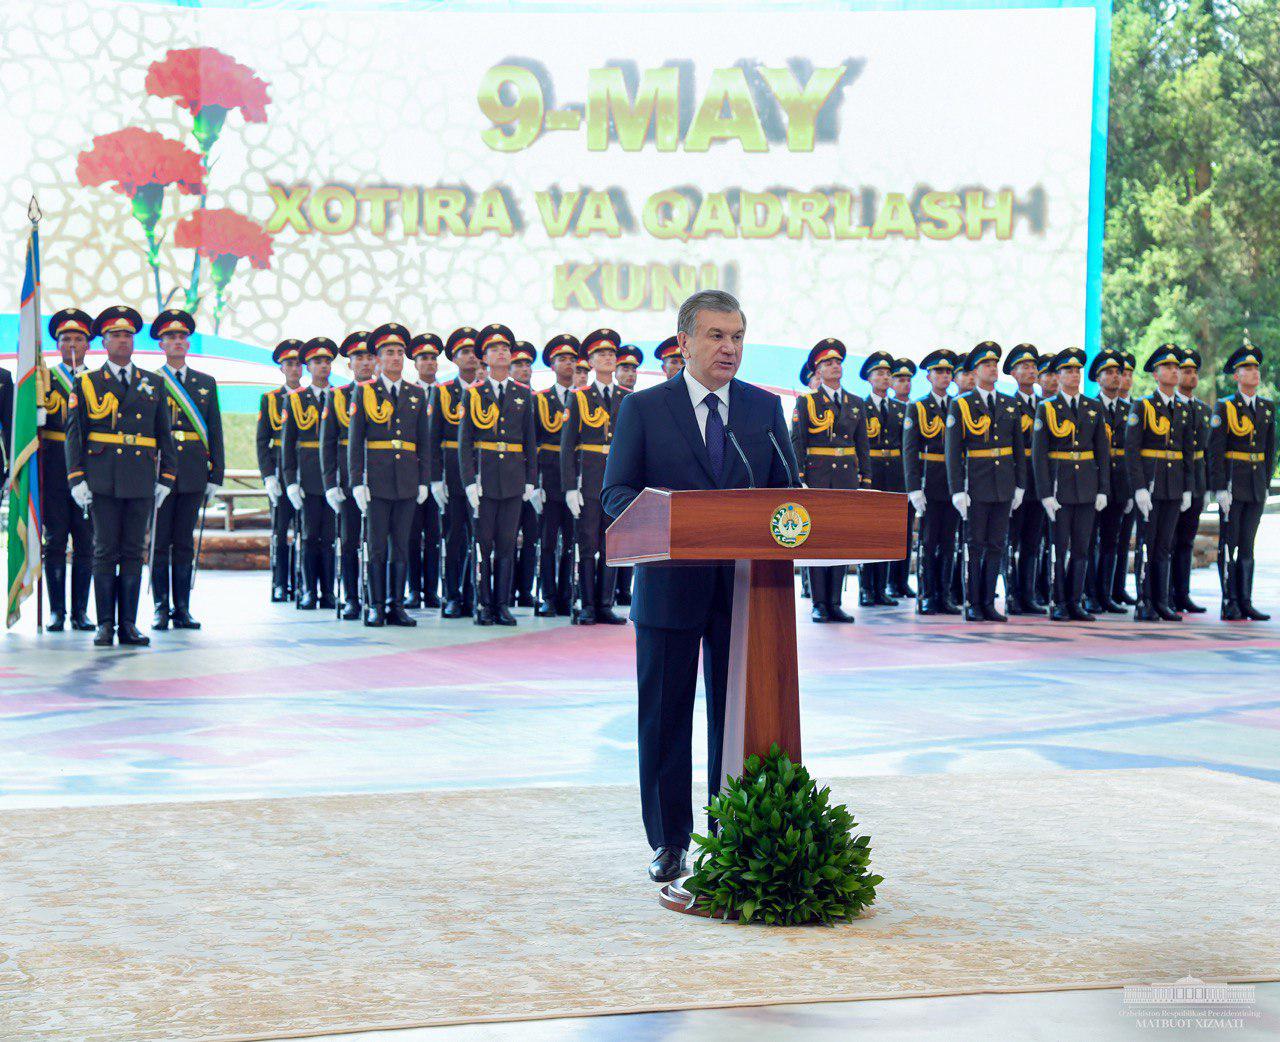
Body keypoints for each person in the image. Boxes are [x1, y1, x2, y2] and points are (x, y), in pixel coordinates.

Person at [601, 289, 797, 884]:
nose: (729, 348)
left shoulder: (764, 411)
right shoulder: (645, 409)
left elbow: (790, 493)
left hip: (747, 596)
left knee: (736, 718)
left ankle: (731, 830)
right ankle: (669, 841)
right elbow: (615, 496)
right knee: (665, 719)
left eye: (737, 337)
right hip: (669, 589)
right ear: (684, 342)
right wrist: (666, 517)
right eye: (716, 336)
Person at [65, 305, 176, 647]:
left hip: (141, 478)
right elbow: (75, 434)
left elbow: (164, 434)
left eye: (128, 335)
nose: (123, 340)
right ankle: (105, 625)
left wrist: (167, 477)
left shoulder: (154, 382)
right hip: (102, 478)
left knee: (132, 551)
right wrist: (76, 479)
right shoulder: (86, 382)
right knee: (104, 550)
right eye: (116, 334)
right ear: (104, 342)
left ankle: (128, 624)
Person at [349, 322, 431, 626]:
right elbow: (356, 442)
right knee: (378, 547)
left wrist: (424, 480)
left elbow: (424, 441)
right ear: (378, 359)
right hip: (378, 482)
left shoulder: (415, 394)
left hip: (407, 481)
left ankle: (397, 605)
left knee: (402, 545)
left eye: (399, 352)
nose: (395, 357)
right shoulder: (365, 392)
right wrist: (357, 482)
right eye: (388, 353)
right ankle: (376, 605)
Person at [458, 324, 538, 626]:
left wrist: (531, 478)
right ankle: (483, 604)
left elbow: (530, 440)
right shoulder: (474, 393)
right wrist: (467, 481)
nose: (502, 352)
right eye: (495, 349)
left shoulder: (522, 393)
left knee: (506, 544)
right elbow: (464, 442)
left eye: (506, 348)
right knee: (482, 544)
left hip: (513, 478)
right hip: (484, 478)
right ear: (484, 358)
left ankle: (502, 604)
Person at [150, 309, 224, 631]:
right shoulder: (151, 381)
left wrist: (216, 474)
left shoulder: (205, 383)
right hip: (160, 473)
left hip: (194, 470)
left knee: (183, 542)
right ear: (161, 345)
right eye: (171, 338)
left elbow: (215, 429)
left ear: (188, 343)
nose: (177, 342)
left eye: (182, 337)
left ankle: (182, 609)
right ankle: (160, 608)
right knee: (158, 541)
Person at [790, 338, 871, 624]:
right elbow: (797, 441)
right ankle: (819, 602)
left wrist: (866, 479)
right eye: (828, 363)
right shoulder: (807, 401)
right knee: (817, 541)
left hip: (846, 477)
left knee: (840, 539)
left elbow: (863, 444)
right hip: (818, 476)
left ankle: (836, 602)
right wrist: (799, 477)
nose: (834, 366)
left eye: (837, 362)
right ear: (817, 370)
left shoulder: (855, 402)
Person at [945, 341, 1027, 622]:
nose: (992, 369)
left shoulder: (1009, 403)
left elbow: (1019, 448)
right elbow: (953, 452)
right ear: (975, 370)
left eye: (994, 364)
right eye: (987, 365)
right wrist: (957, 490)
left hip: (1003, 483)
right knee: (975, 545)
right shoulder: (962, 405)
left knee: (996, 545)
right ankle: (972, 602)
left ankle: (989, 602)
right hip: (976, 486)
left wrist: (1020, 484)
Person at [1031, 347, 1110, 621]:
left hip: (1086, 488)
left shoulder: (1093, 407)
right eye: (1068, 371)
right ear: (1058, 375)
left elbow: (1102, 452)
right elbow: (1039, 455)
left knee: (1081, 547)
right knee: (1058, 547)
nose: (1074, 375)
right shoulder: (1048, 408)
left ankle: (1076, 602)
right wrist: (1044, 494)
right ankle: (1058, 601)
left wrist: (1103, 489)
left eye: (1077, 370)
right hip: (1059, 488)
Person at [561, 329, 630, 625]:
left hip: (615, 482)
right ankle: (588, 604)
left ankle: (605, 603)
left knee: (611, 544)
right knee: (588, 544)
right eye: (601, 354)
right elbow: (567, 447)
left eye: (611, 354)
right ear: (589, 361)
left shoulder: (627, 398)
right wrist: (569, 487)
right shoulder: (579, 398)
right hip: (588, 480)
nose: (608, 358)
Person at [1125, 343, 1195, 621]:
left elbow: (1188, 452)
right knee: (1147, 543)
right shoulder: (1142, 406)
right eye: (1168, 367)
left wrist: (1188, 487)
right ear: (1156, 374)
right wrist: (1139, 487)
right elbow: (1132, 450)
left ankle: (1162, 601)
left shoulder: (1182, 408)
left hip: (1173, 485)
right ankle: (1145, 601)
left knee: (1165, 545)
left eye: (1177, 367)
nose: (1174, 371)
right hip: (1151, 485)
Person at [1208, 342, 1274, 620]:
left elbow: (1271, 449)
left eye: (1256, 368)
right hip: (1233, 486)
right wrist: (1219, 488)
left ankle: (1245, 600)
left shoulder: (1266, 407)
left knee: (1248, 544)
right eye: (1247, 368)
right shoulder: (1225, 407)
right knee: (1229, 544)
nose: (1254, 373)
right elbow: (1215, 451)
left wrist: (1266, 481)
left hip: (1255, 485)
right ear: (1236, 376)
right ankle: (1229, 600)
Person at [40, 308, 96, 631]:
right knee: (56, 539)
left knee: (86, 540)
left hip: (87, 468)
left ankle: (80, 611)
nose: (72, 344)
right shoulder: (42, 380)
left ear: (88, 345)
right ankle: (56, 611)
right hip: (52, 466)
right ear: (57, 344)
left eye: (78, 339)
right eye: (66, 339)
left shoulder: (96, 381)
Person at [321, 331, 375, 620]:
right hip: (347, 480)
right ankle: (352, 597)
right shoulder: (338, 396)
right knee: (350, 540)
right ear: (349, 364)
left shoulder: (386, 392)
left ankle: (380, 596)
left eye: (369, 357)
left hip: (382, 479)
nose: (365, 363)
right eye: (359, 358)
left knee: (380, 542)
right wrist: (330, 483)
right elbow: (327, 443)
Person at [904, 349, 961, 615]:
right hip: (929, 481)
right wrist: (914, 488)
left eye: (948, 372)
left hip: (953, 483)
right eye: (939, 371)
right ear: (928, 376)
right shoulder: (917, 406)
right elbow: (909, 450)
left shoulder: (959, 405)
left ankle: (944, 594)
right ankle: (927, 594)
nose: (945, 376)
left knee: (949, 542)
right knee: (928, 542)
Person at [282, 337, 338, 609]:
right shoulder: (295, 400)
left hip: (334, 478)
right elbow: (287, 445)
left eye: (327, 361)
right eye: (317, 361)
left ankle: (328, 592)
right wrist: (290, 481)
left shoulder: (341, 397)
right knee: (308, 536)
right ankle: (307, 591)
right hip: (307, 476)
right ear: (308, 366)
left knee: (329, 538)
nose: (323, 366)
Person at [430, 327, 481, 618]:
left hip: (482, 471)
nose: (471, 357)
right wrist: (436, 478)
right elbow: (432, 438)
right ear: (454, 358)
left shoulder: (487, 390)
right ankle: (452, 595)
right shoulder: (443, 392)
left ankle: (476, 593)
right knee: (454, 538)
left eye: (475, 351)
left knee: (481, 537)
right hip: (451, 473)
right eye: (464, 352)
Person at [534, 334, 579, 616]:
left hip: (575, 478)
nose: (569, 364)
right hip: (549, 479)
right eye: (562, 359)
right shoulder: (540, 399)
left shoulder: (584, 398)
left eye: (573, 359)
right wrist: (535, 482)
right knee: (548, 542)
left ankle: (567, 595)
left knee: (572, 542)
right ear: (552, 365)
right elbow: (533, 442)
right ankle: (548, 596)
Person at [1087, 348, 1132, 614]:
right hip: (1094, 484)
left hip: (1120, 485)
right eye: (1109, 373)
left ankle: (1106, 594)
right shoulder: (1090, 408)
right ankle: (1090, 594)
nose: (1115, 377)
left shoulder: (1130, 410)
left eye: (1117, 372)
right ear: (1098, 378)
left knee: (1111, 542)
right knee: (1090, 541)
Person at [257, 340, 303, 602]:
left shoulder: (312, 396)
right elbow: (262, 440)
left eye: (298, 364)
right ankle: (279, 581)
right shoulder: (271, 399)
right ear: (281, 368)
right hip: (279, 471)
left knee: (304, 530)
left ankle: (300, 581)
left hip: (305, 470)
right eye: (289, 364)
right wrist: (268, 476)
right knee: (280, 530)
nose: (294, 369)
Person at [859, 351, 905, 607]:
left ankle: (882, 587)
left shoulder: (900, 408)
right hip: (873, 470)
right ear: (869, 378)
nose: (885, 377)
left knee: (889, 533)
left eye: (888, 374)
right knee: (868, 533)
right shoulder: (861, 406)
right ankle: (866, 588)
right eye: (880, 373)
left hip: (894, 473)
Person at [1003, 344, 1043, 615]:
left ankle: (1029, 595)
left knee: (1033, 541)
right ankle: (1011, 595)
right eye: (1024, 367)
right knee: (1011, 541)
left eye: (1033, 367)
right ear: (1014, 374)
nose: (1030, 371)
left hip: (1039, 482)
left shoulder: (1046, 406)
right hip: (1017, 480)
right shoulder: (1008, 405)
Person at [1171, 348, 1211, 614]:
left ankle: (1182, 594)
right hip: (1172, 482)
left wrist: (1206, 485)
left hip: (1196, 481)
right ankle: (1163, 593)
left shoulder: (1203, 409)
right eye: (1186, 371)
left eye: (1195, 371)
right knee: (1167, 542)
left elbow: (1207, 452)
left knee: (1186, 540)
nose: (1192, 376)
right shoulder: (1166, 406)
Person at [406, 332, 443, 609]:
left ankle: (431, 591)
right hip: (411, 475)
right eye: (423, 358)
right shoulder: (408, 393)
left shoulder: (447, 393)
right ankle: (413, 591)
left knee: (434, 537)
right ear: (415, 363)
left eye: (432, 358)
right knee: (409, 536)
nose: (429, 363)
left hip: (440, 476)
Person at [509, 341, 541, 609]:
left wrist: (535, 480)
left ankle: (525, 589)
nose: (524, 369)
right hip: (507, 477)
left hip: (531, 479)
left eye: (528, 364)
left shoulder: (537, 398)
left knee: (530, 537)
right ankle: (507, 591)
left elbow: (536, 444)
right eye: (518, 364)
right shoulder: (510, 398)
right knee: (506, 538)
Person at [612, 344, 644, 606]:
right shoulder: (621, 401)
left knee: (628, 539)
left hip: (635, 481)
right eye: (625, 368)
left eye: (634, 369)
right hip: (608, 480)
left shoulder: (643, 400)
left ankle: (623, 590)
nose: (630, 374)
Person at [1111, 351, 1140, 606]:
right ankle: (1100, 589)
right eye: (1122, 374)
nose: (1125, 379)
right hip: (1103, 479)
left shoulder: (1136, 408)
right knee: (1102, 540)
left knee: (1123, 539)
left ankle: (1118, 587)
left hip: (1126, 480)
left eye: (1129, 374)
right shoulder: (1097, 405)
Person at [887, 357, 917, 597]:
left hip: (904, 476)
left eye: (908, 380)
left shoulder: (911, 409)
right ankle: (885, 582)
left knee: (904, 532)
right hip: (885, 474)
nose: (904, 384)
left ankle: (901, 580)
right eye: (899, 379)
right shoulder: (882, 408)